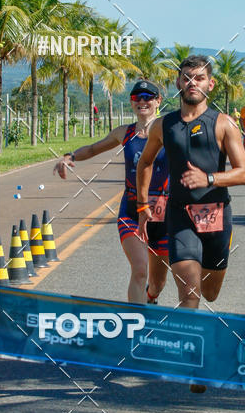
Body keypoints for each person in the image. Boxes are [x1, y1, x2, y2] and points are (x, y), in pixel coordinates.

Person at [137, 55, 245, 314]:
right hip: (179, 215)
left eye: (199, 78)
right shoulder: (162, 125)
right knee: (190, 292)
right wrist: (142, 205)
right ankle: (187, 349)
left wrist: (209, 178)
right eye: (187, 78)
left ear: (210, 84)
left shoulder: (224, 123)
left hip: (217, 216)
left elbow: (243, 173)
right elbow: (145, 163)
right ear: (178, 82)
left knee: (210, 293)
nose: (192, 83)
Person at [54, 80, 169, 304]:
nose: (142, 101)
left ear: (158, 101)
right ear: (131, 102)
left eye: (148, 97)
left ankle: (151, 296)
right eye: (137, 97)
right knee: (139, 271)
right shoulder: (123, 133)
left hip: (162, 215)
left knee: (157, 283)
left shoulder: (170, 130)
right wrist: (70, 156)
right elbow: (94, 148)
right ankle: (135, 327)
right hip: (132, 211)